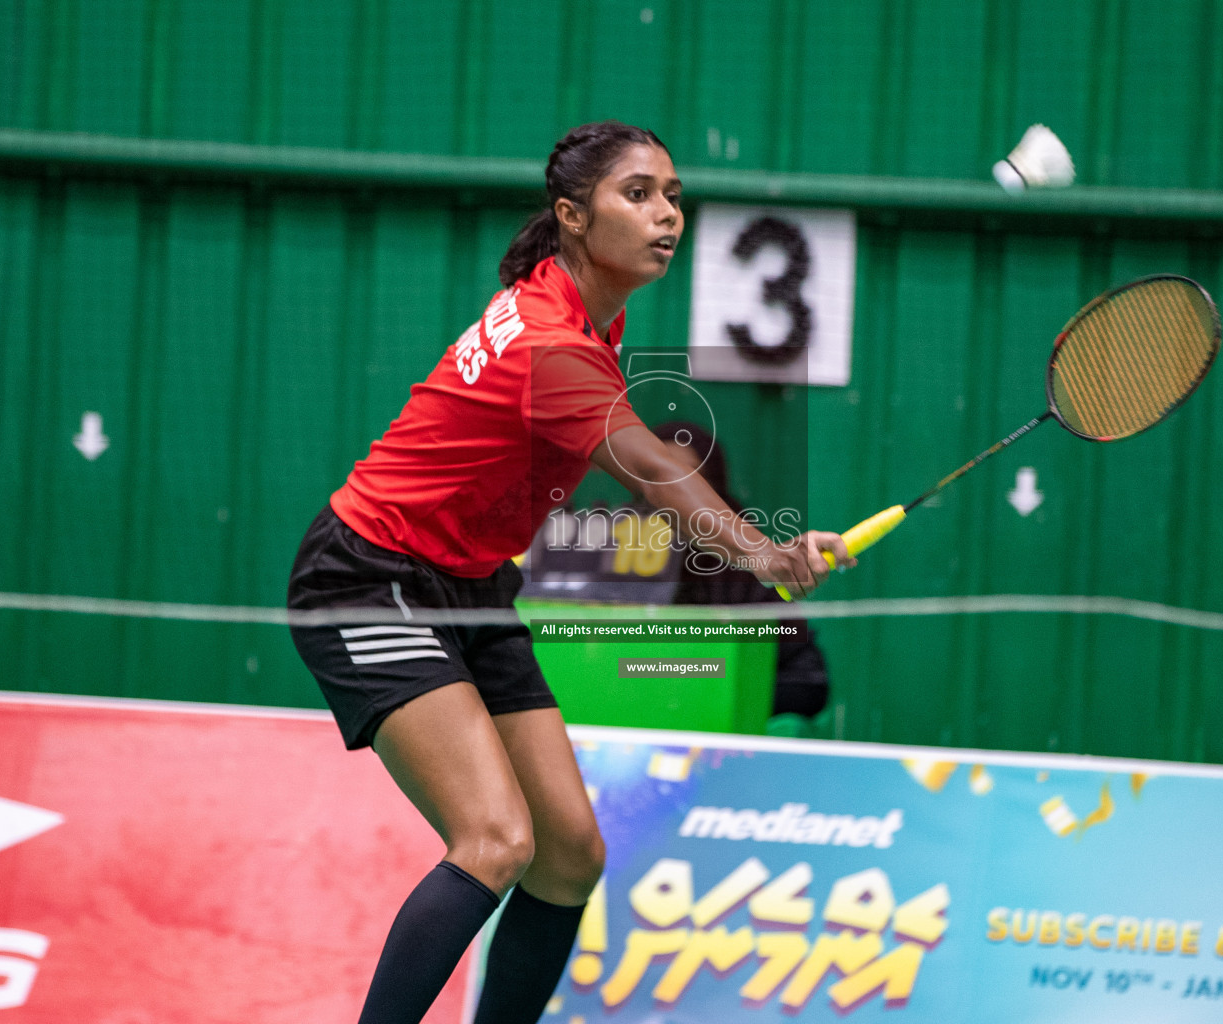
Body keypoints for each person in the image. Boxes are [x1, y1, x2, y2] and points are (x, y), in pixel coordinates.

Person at [286, 121, 853, 1024]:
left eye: (672, 194)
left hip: (468, 584)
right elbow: (649, 467)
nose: (667, 214)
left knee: (569, 856)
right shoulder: (552, 344)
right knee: (495, 839)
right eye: (638, 194)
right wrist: (766, 554)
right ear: (572, 217)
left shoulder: (580, 304)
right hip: (370, 574)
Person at [651, 420, 831, 718]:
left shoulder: (743, 553)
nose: (674, 491)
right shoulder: (621, 548)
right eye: (661, 475)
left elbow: (802, 678)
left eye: (691, 478)